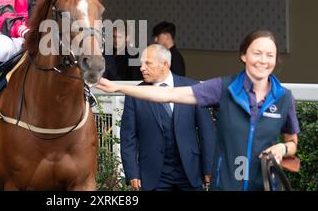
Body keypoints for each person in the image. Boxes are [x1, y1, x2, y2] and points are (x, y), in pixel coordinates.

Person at [97, 30, 300, 191]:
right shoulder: (222, 88)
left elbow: (292, 143)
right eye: (257, 53)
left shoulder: (284, 97)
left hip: (264, 184)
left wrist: (282, 148)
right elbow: (169, 95)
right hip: (226, 185)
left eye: (269, 55)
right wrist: (119, 88)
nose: (263, 60)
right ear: (243, 55)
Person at [120, 44, 215, 191]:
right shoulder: (136, 94)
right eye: (141, 64)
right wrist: (132, 173)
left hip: (190, 171)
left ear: (164, 64)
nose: (141, 68)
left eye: (147, 63)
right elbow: (128, 137)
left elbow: (207, 132)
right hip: (153, 174)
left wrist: (209, 168)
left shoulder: (192, 88)